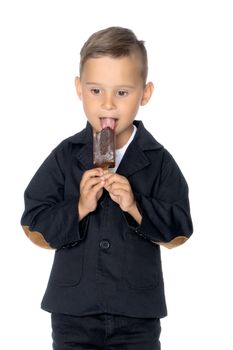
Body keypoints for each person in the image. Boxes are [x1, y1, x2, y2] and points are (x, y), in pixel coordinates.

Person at [21, 26, 193, 350]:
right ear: (79, 89)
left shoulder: (158, 160)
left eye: (123, 92)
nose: (108, 105)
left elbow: (180, 227)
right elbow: (33, 221)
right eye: (96, 91)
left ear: (145, 93)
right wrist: (79, 207)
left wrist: (135, 206)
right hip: (73, 312)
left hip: (137, 315)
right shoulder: (66, 155)